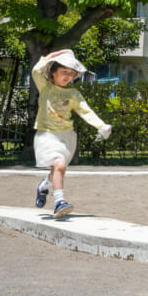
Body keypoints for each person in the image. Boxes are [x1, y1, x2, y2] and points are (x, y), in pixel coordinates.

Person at [31, 49, 111, 218]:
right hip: (47, 135)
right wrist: (52, 56)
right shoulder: (45, 87)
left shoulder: (74, 94)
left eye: (71, 73)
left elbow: (86, 111)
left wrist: (102, 126)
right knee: (59, 166)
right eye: (63, 72)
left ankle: (44, 186)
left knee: (57, 170)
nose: (67, 76)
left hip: (66, 136)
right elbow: (36, 70)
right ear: (53, 72)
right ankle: (59, 202)